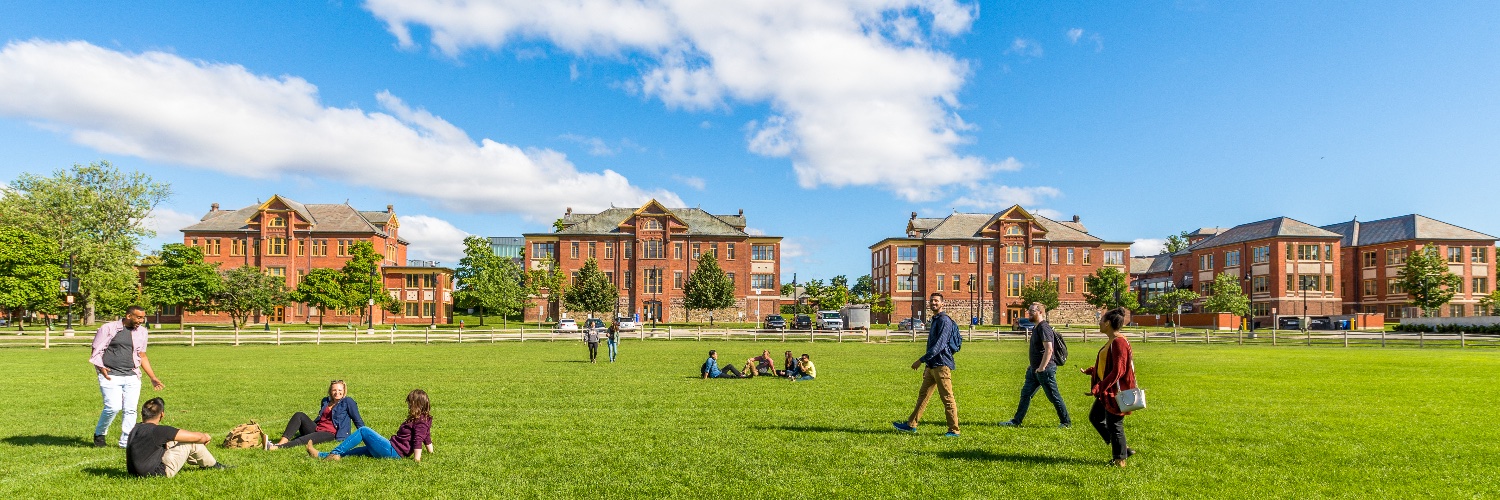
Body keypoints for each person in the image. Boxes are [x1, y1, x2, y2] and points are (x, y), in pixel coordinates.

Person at [88, 305, 164, 448]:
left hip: (132, 375)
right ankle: (100, 433)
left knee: (131, 409)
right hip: (110, 375)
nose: (142, 320)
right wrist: (100, 368)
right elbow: (96, 351)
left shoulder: (142, 332)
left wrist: (153, 377)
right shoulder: (108, 328)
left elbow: (142, 355)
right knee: (113, 407)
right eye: (139, 317)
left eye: (143, 317)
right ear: (129, 316)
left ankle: (125, 442)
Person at [893, 293, 961, 437]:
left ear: (942, 303)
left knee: (947, 398)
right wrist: (927, 366)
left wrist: (921, 360)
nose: (933, 303)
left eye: (936, 301)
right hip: (932, 365)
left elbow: (939, 345)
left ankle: (954, 430)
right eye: (931, 300)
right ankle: (911, 424)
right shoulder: (935, 319)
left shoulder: (944, 320)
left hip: (942, 365)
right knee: (923, 395)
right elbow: (932, 346)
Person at [999, 302, 1072, 428]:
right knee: (1025, 394)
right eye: (1029, 310)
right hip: (1034, 370)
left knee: (1054, 396)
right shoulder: (1036, 327)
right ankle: (1016, 421)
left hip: (1045, 370)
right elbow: (1038, 350)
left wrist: (1042, 368)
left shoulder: (1044, 327)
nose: (1029, 313)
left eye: (1032, 311)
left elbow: (1049, 349)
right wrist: (1032, 365)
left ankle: (1066, 422)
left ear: (1040, 312)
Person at [310, 389, 433, 462]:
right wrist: (431, 452)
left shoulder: (420, 421)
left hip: (393, 451)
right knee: (354, 451)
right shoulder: (424, 419)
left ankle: (334, 453)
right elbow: (426, 437)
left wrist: (417, 460)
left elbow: (418, 440)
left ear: (417, 405)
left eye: (410, 404)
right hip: (391, 448)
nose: (409, 406)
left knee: (364, 430)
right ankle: (322, 455)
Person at [1082, 308, 1138, 467]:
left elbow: (1118, 371)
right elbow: (1108, 365)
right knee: (1095, 418)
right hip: (1107, 390)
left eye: (1101, 320)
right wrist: (1092, 371)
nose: (1099, 322)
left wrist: (1099, 387)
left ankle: (1120, 460)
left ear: (1107, 323)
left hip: (1116, 391)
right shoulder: (1112, 341)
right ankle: (1123, 449)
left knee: (1115, 424)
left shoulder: (1119, 342)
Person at [126, 397, 230, 477]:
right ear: (162, 414)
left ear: (142, 413)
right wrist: (205, 437)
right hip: (157, 473)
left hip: (134, 472)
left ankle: (202, 462)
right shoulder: (159, 431)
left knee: (172, 442)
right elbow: (197, 438)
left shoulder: (135, 428)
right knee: (192, 443)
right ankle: (213, 465)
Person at [264, 380, 365, 451]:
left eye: (339, 390)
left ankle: (276, 447)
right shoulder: (325, 401)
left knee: (305, 440)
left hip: (331, 433)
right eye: (334, 390)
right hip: (317, 428)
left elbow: (357, 420)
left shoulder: (348, 402)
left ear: (344, 391)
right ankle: (281, 442)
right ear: (330, 391)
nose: (337, 392)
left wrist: (366, 436)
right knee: (299, 415)